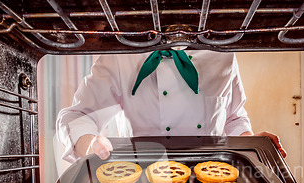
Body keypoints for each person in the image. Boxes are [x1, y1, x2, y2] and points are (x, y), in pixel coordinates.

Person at [56, 50, 286, 162]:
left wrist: (252, 143)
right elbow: (77, 116)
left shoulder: (223, 54)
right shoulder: (120, 57)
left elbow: (233, 116)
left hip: (213, 181)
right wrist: (91, 144)